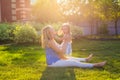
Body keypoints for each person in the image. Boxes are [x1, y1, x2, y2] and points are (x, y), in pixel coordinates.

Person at [41, 25, 106, 68]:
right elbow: (61, 52)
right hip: (53, 62)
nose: (55, 32)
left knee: (71, 58)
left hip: (57, 59)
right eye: (53, 31)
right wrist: (66, 41)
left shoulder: (52, 40)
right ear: (49, 33)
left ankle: (85, 59)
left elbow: (59, 48)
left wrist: (65, 40)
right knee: (73, 62)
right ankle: (94, 65)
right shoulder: (50, 42)